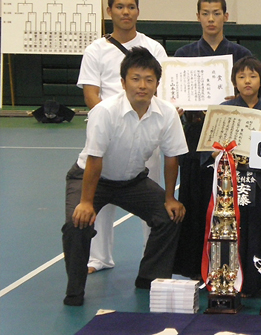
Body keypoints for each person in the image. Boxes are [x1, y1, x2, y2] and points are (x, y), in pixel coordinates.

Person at [62, 47, 188, 306]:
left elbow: (172, 157)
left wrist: (169, 198)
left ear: (157, 84)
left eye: (149, 80)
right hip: (90, 179)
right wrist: (86, 203)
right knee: (78, 224)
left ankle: (149, 279)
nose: (142, 85)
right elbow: (95, 160)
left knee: (169, 217)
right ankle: (74, 291)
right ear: (122, 82)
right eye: (135, 78)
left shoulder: (166, 114)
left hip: (133, 181)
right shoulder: (104, 111)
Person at [76, 0, 167, 274]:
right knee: (99, 194)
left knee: (150, 195)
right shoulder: (96, 49)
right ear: (109, 11)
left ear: (138, 11)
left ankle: (148, 256)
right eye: (119, 7)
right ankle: (99, 257)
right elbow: (91, 93)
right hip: (107, 132)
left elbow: (162, 90)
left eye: (130, 7)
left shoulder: (154, 48)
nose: (125, 12)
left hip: (146, 130)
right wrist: (112, 122)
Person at [172, 0, 252, 280]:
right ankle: (195, 267)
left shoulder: (242, 55)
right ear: (197, 17)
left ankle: (231, 266)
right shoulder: (183, 56)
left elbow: (256, 92)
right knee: (195, 199)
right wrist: (176, 105)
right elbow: (172, 96)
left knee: (229, 199)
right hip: (194, 135)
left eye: (216, 13)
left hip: (230, 137)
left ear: (225, 17)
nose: (210, 19)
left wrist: (240, 95)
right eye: (205, 13)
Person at [208, 56, 261, 296]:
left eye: (252, 76)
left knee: (258, 231)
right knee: (231, 231)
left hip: (260, 184)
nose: (247, 81)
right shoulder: (225, 110)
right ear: (234, 82)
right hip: (230, 184)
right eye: (241, 77)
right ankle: (228, 279)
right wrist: (216, 153)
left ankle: (259, 282)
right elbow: (211, 148)